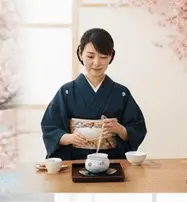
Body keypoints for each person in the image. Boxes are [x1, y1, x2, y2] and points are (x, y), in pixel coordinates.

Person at [41, 28, 147, 161]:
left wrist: (120, 129)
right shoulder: (66, 91)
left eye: (103, 57)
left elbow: (137, 128)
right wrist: (69, 138)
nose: (97, 63)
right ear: (80, 54)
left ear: (111, 56)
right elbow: (50, 127)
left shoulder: (121, 93)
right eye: (90, 56)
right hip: (74, 162)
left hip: (112, 162)